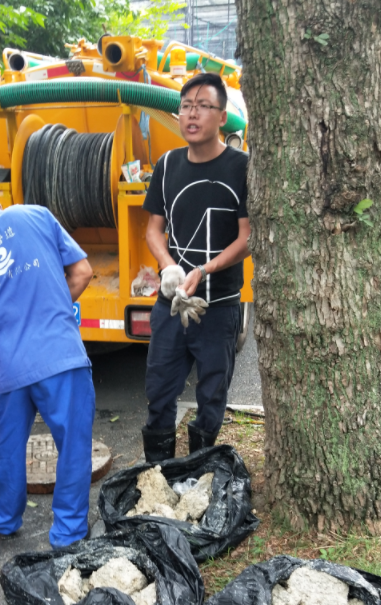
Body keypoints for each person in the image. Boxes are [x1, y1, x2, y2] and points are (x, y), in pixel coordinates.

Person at [0, 183, 95, 548]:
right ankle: (67, 532)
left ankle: (3, 522)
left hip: (6, 369)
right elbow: (83, 271)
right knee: (73, 444)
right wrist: (55, 307)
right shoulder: (35, 214)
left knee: (6, 448)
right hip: (60, 356)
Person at [141, 72, 251, 462]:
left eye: (203, 106)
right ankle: (159, 473)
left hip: (219, 306)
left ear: (222, 117)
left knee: (211, 396)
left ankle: (200, 470)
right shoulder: (168, 165)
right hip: (171, 305)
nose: (192, 114)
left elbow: (246, 238)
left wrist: (204, 270)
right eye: (186, 106)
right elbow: (154, 229)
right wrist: (169, 267)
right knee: (159, 391)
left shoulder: (242, 167)